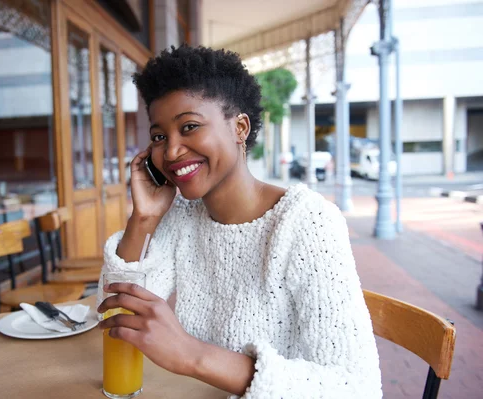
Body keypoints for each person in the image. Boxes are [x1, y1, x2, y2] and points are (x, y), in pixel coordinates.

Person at [96, 45, 382, 398]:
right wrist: (143, 218)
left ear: (240, 128)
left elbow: (358, 388)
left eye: (189, 127)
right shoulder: (183, 215)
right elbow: (114, 315)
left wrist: (193, 355)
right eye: (159, 137)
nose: (171, 151)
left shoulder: (305, 223)